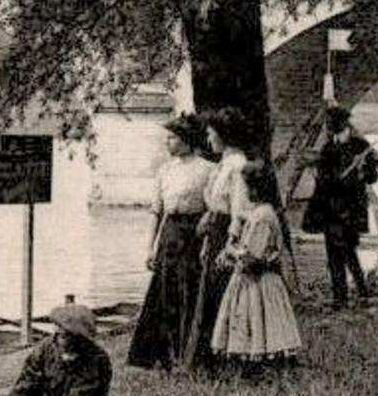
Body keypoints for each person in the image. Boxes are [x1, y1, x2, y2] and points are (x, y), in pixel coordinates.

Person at [127, 114, 213, 370]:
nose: (168, 142)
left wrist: (205, 228)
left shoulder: (207, 169)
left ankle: (189, 354)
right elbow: (158, 211)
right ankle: (164, 355)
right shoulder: (165, 170)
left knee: (190, 292)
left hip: (194, 234)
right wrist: (150, 248)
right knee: (165, 294)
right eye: (167, 137)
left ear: (187, 140)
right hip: (170, 234)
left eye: (173, 138)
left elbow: (214, 207)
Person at [211, 160, 304, 371]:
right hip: (256, 279)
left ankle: (260, 366)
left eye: (243, 186)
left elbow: (251, 257)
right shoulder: (261, 212)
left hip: (259, 281)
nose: (241, 191)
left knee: (258, 321)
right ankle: (259, 363)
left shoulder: (262, 217)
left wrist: (229, 252)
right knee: (256, 322)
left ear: (254, 188)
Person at [187, 107, 253, 369]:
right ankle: (209, 359)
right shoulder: (224, 163)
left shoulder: (237, 165)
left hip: (226, 232)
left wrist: (230, 243)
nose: (208, 137)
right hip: (216, 231)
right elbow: (216, 202)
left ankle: (224, 359)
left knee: (223, 293)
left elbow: (239, 208)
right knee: (211, 293)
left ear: (224, 135)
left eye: (211, 133)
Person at [303, 105, 378, 308]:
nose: (332, 131)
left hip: (351, 210)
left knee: (348, 252)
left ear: (342, 125)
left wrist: (362, 169)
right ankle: (341, 297)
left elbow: (372, 177)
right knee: (334, 254)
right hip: (331, 210)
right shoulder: (328, 148)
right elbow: (324, 179)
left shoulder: (360, 147)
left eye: (334, 127)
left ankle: (360, 293)